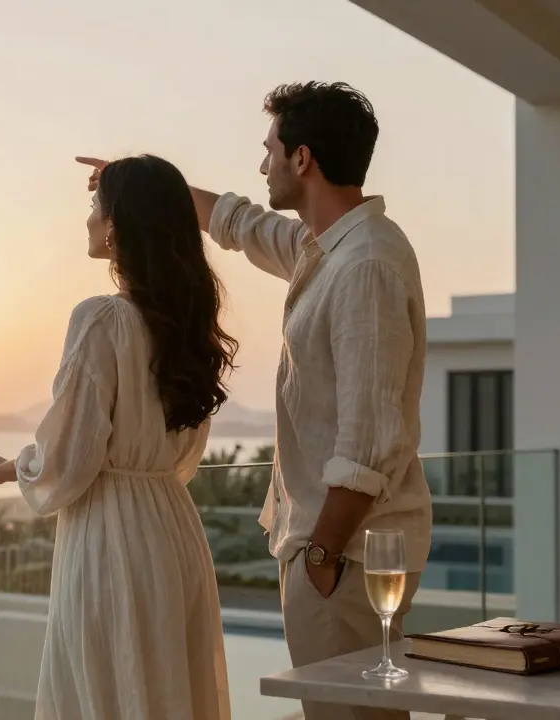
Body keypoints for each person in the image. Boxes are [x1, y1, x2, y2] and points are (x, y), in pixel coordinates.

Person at [81, 81, 432, 720]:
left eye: (269, 150)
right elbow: (238, 222)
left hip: (349, 552)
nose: (262, 164)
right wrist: (145, 188)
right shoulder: (321, 247)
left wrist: (320, 557)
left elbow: (369, 441)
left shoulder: (366, 266)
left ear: (303, 160)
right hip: (334, 549)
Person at [0, 154, 237, 720]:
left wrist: (10, 466)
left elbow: (67, 459)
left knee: (106, 694)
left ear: (116, 225)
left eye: (94, 207)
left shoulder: (101, 321)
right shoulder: (186, 325)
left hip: (111, 540)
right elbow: (180, 457)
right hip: (174, 532)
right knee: (166, 693)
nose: (87, 219)